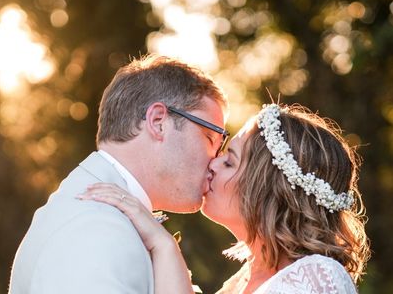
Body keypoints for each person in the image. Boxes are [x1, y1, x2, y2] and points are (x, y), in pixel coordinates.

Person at [81, 103, 370, 294]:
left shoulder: (318, 279)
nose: (213, 164)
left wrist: (163, 245)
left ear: (266, 189)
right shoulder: (240, 281)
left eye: (229, 162)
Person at [8, 55, 228, 294]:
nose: (216, 160)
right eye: (211, 139)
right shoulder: (95, 229)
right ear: (158, 122)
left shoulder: (101, 214)